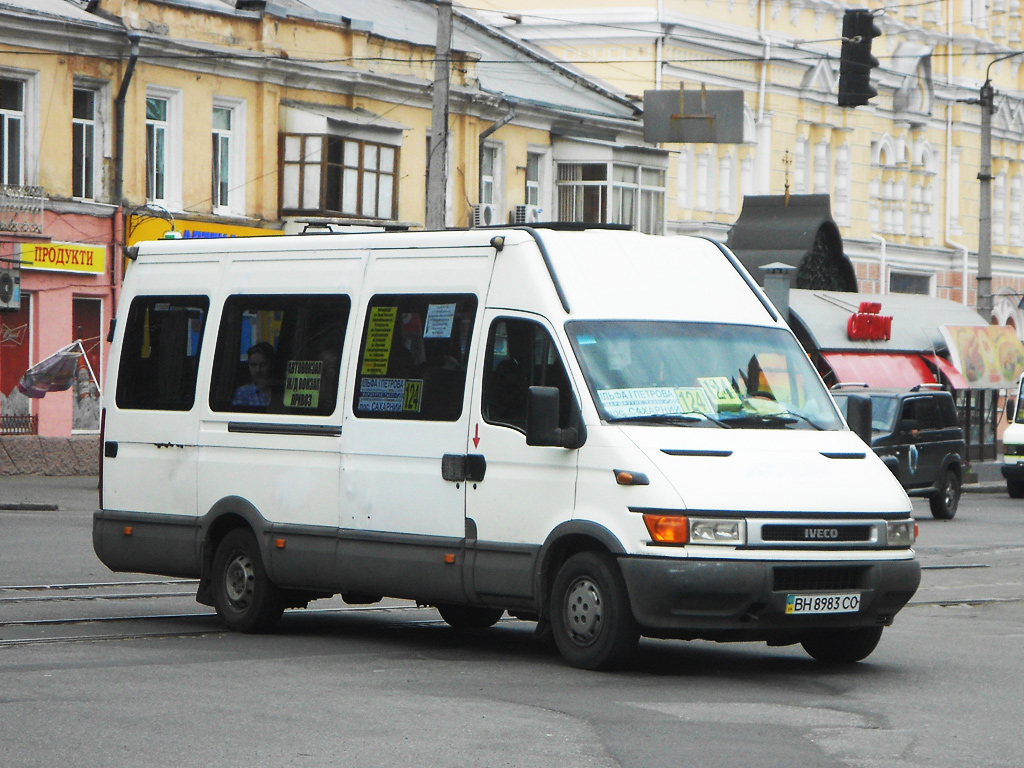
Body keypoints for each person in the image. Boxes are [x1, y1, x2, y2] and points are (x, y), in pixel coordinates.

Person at [233, 341, 276, 407]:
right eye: (253, 365)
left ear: (271, 365)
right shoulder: (243, 392)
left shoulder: (282, 392)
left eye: (262, 365)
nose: (258, 370)